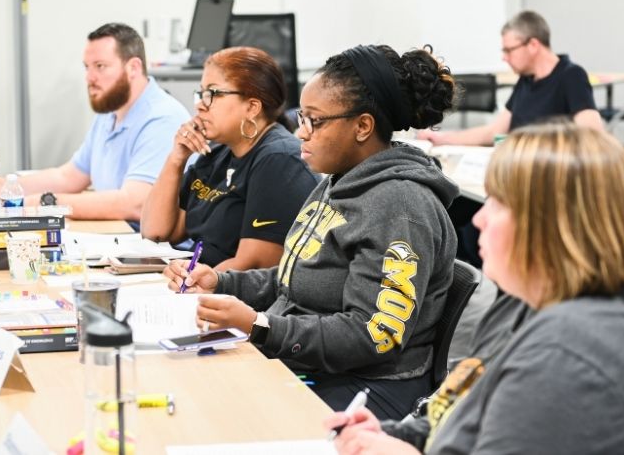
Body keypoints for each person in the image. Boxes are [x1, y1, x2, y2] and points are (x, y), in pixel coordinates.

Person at [328, 122, 624, 454]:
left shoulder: (571, 347)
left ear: (550, 227)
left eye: (498, 204)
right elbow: (470, 416)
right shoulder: (525, 303)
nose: (480, 218)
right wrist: (394, 436)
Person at [164, 44, 460, 420]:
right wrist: (221, 283)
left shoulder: (400, 207)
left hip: (367, 389)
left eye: (314, 121)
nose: (301, 133)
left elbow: (371, 335)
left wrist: (260, 324)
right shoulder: (337, 181)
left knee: (220, 415)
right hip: (313, 362)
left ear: (363, 126)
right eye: (301, 118)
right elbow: (297, 280)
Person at [0, 22, 189, 221]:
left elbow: (135, 203)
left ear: (133, 67)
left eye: (100, 66)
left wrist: (44, 202)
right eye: (87, 67)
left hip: (152, 249)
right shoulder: (110, 112)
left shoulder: (162, 118)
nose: (89, 78)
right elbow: (69, 177)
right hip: (119, 238)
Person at [141, 47, 319, 269]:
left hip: (231, 295)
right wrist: (176, 159)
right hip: (202, 285)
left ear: (252, 107)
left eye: (213, 93)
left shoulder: (280, 161)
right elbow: (155, 231)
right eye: (202, 92)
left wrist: (187, 285)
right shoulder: (217, 153)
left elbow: (251, 266)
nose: (200, 104)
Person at [417, 10, 602, 146]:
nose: (504, 57)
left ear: (533, 45)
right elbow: (494, 132)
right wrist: (442, 139)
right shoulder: (527, 80)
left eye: (508, 50)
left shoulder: (571, 76)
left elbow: (592, 135)